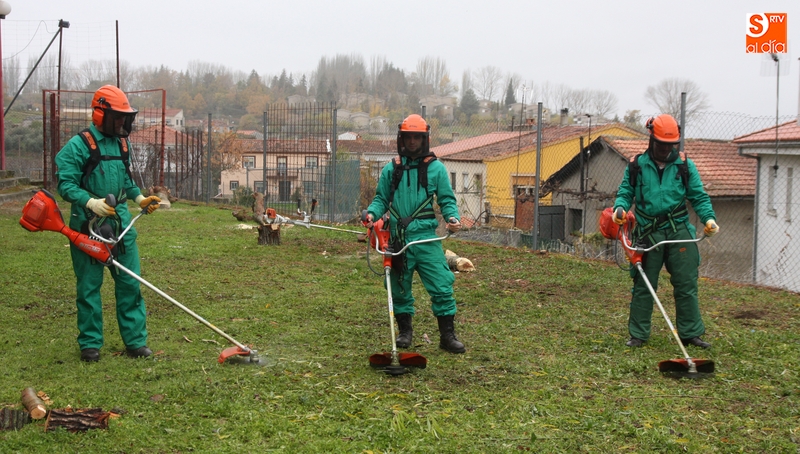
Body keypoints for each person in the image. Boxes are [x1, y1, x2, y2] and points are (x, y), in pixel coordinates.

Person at [55, 85, 161, 362]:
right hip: (88, 225)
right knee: (89, 287)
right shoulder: (78, 146)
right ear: (100, 113)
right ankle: (90, 344)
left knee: (129, 283)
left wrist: (139, 198)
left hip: (121, 226)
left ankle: (135, 342)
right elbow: (65, 184)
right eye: (118, 117)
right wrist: (90, 203)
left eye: (125, 117)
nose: (123, 123)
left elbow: (125, 179)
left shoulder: (121, 144)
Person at [612, 114, 719, 349]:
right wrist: (620, 208)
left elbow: (698, 196)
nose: (665, 149)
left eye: (670, 145)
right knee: (643, 284)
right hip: (648, 232)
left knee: (686, 283)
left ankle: (691, 333)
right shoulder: (636, 165)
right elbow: (625, 192)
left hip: (679, 229)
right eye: (661, 143)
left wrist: (709, 219)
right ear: (651, 139)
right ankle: (638, 335)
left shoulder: (684, 165)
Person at [365, 114, 465, 353]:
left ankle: (447, 336)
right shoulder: (392, 169)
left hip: (426, 239)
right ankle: (405, 333)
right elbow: (380, 199)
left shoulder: (436, 169)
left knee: (442, 286)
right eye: (408, 137)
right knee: (398, 287)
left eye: (416, 137)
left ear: (424, 139)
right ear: (401, 138)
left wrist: (453, 218)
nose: (412, 142)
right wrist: (371, 214)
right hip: (399, 240)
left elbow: (447, 200)